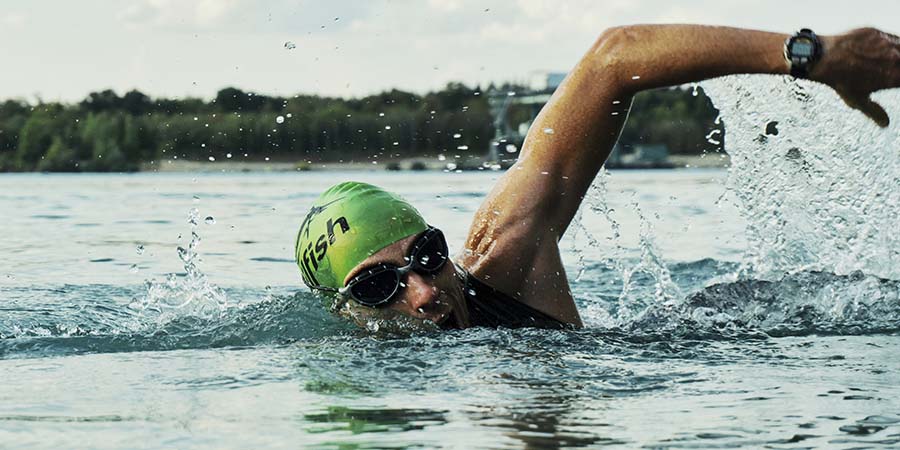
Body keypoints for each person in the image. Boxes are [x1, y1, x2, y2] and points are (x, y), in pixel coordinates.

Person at [295, 25, 899, 331]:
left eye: (426, 256)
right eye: (378, 288)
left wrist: (812, 56)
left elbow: (614, 58)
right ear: (344, 311)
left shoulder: (505, 257)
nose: (423, 293)